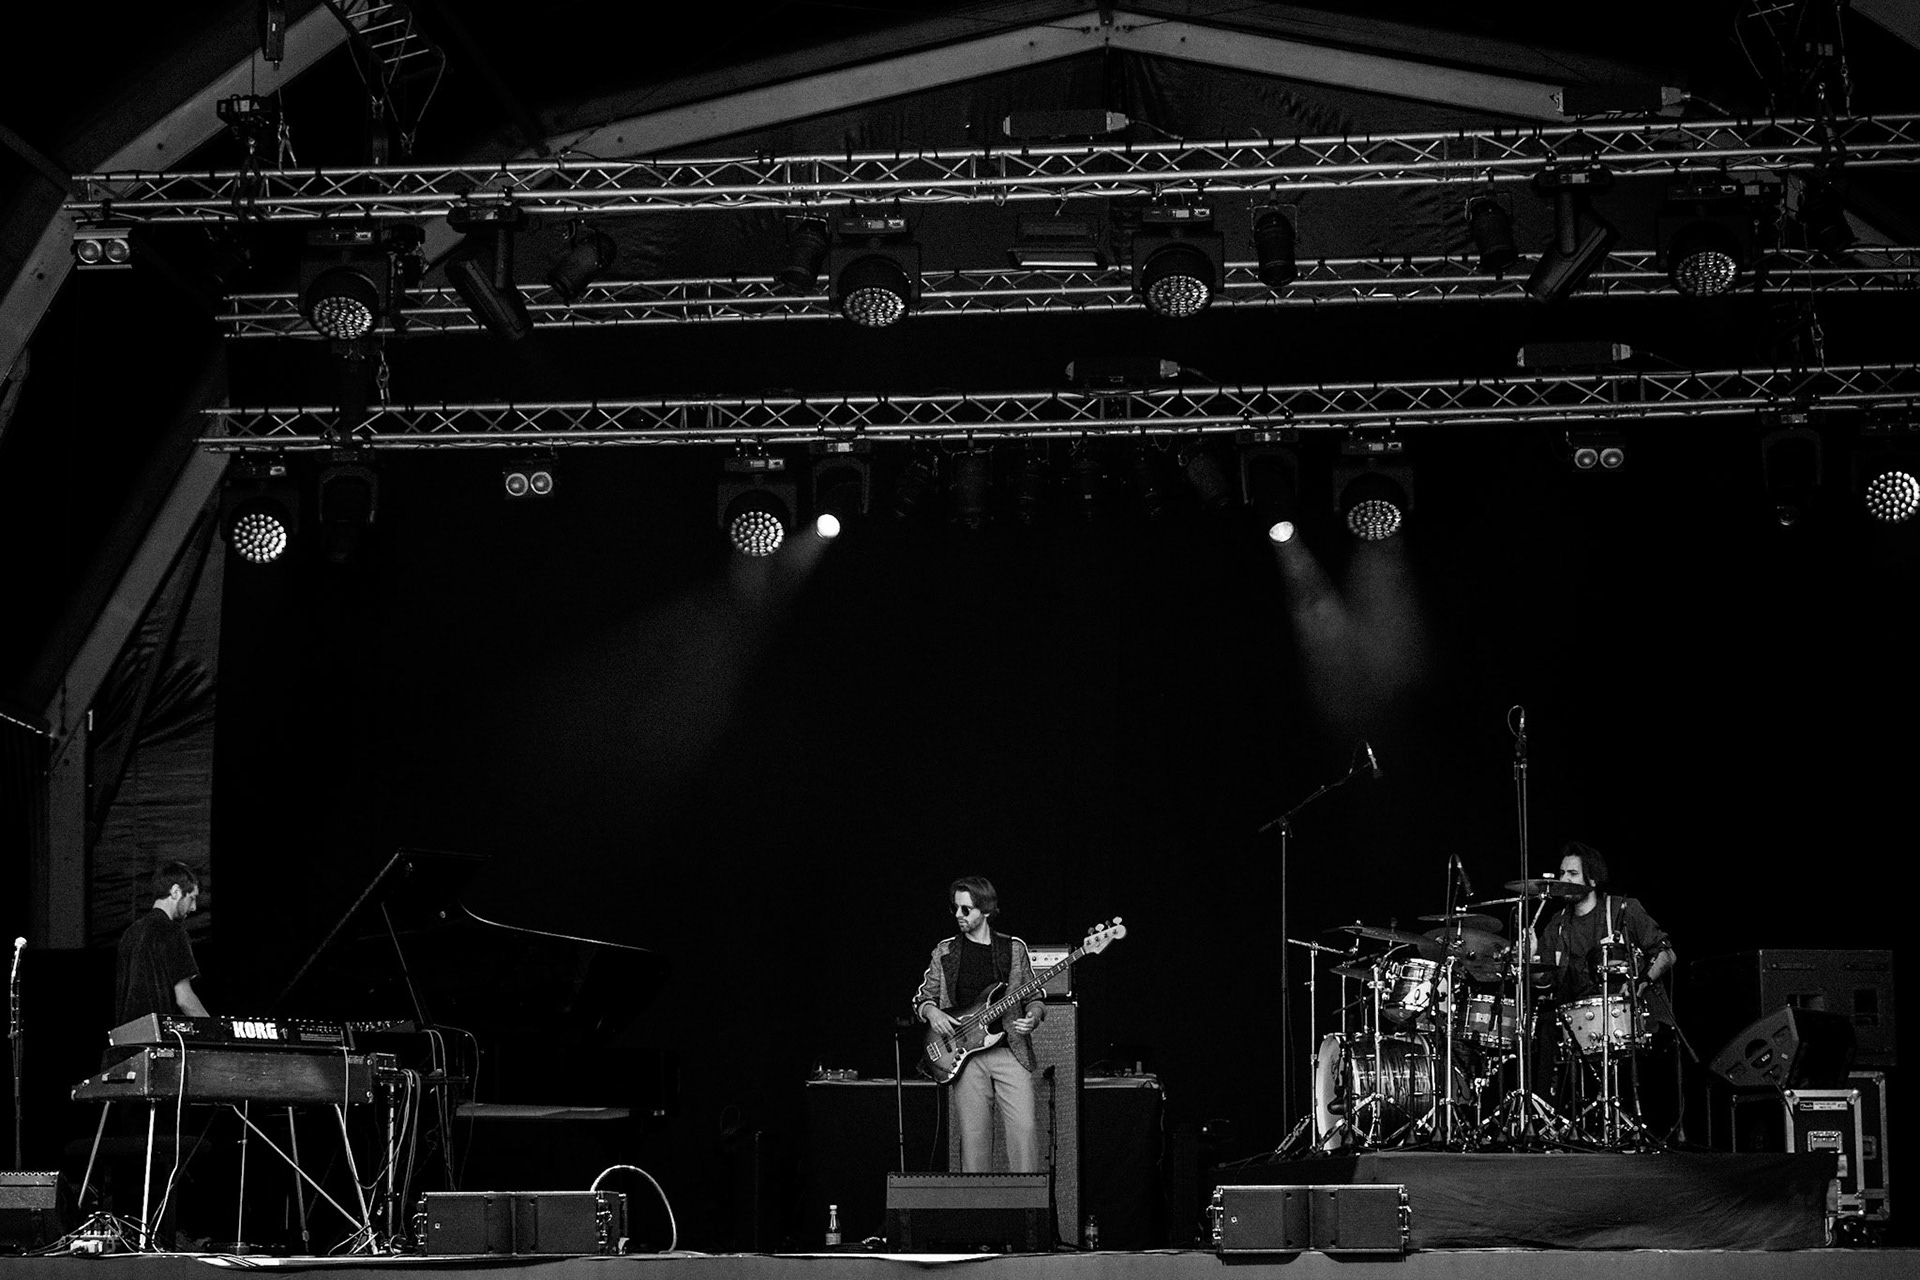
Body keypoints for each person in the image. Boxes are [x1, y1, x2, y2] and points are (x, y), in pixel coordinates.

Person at [910, 876, 1046, 1173]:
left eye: (966, 909)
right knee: (974, 1141)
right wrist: (932, 1012)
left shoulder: (1013, 948)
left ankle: (1026, 1214)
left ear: (985, 910)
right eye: (956, 908)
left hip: (1010, 1051)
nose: (958, 915)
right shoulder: (945, 951)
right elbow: (923, 998)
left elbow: (1035, 997)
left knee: (1024, 1132)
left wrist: (1033, 1017)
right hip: (964, 1056)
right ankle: (979, 1215)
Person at [114, 862, 210, 1026]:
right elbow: (184, 999)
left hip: (126, 1040)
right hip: (156, 1039)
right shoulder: (172, 931)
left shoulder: (130, 933)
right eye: (192, 898)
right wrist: (216, 1031)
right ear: (175, 892)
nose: (193, 907)